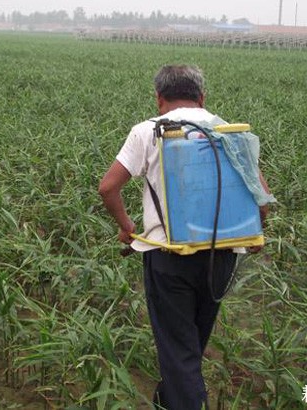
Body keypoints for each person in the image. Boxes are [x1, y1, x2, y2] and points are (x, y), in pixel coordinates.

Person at [98, 64, 272, 409]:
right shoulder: (229, 132)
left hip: (169, 257)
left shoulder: (148, 131)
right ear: (202, 97)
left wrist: (127, 227)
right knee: (190, 344)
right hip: (221, 256)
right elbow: (262, 202)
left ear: (160, 99)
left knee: (179, 353)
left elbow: (107, 187)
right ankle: (169, 399)